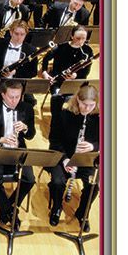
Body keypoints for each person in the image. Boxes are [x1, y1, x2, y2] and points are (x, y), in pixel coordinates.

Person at [0, 79, 36, 227]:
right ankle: (11, 212)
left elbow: (31, 135)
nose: (14, 101)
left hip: (18, 151)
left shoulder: (27, 109)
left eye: (18, 97)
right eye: (11, 97)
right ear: (3, 95)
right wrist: (2, 139)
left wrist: (25, 128)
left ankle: (8, 208)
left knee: (29, 179)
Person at [48, 83, 99, 230]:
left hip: (86, 159)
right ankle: (57, 207)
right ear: (77, 100)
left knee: (94, 185)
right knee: (57, 182)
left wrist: (93, 147)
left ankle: (83, 213)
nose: (87, 108)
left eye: (91, 105)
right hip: (63, 157)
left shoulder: (100, 118)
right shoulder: (64, 115)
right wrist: (65, 159)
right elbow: (54, 140)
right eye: (84, 104)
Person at [0, 20, 38, 91]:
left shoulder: (31, 50)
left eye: (22, 34)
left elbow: (33, 72)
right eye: (16, 34)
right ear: (11, 32)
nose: (19, 37)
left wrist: (15, 72)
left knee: (30, 98)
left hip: (19, 84)